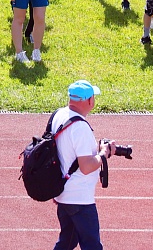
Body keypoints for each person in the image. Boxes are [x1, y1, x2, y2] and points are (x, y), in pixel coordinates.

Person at [48, 80, 104, 250]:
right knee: (92, 245)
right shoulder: (80, 127)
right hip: (79, 199)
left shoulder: (58, 115)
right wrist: (104, 153)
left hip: (63, 193)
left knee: (67, 242)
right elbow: (86, 167)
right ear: (88, 100)